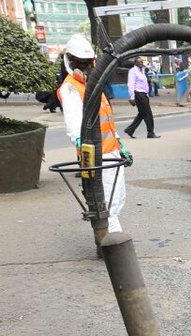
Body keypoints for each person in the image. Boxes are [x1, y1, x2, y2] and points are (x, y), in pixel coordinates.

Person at [58, 34, 131, 238]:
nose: (84, 67)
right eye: (79, 63)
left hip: (112, 152)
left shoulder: (93, 86)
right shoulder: (71, 88)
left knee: (118, 198)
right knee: (106, 202)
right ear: (69, 62)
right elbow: (74, 126)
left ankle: (111, 242)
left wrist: (120, 144)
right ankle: (111, 244)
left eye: (87, 63)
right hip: (97, 156)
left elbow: (105, 119)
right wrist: (86, 154)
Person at [124, 57, 159, 139]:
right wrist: (132, 97)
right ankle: (150, 132)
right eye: (138, 62)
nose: (140, 63)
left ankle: (130, 130)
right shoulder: (133, 71)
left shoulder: (142, 70)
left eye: (141, 62)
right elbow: (131, 84)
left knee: (142, 113)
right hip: (138, 94)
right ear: (135, 62)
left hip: (143, 94)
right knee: (148, 113)